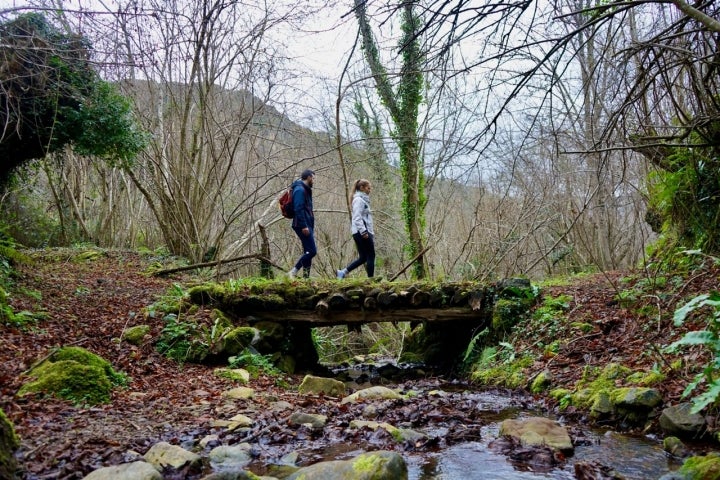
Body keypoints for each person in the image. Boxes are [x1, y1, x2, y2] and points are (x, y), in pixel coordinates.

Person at [337, 179, 375, 279]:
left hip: (359, 231)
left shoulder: (362, 199)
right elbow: (357, 217)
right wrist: (364, 232)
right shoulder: (358, 200)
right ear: (362, 188)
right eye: (368, 188)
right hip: (362, 231)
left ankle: (343, 272)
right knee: (371, 255)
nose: (370, 190)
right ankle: (371, 280)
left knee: (363, 257)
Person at [288, 169, 316, 278]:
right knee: (312, 251)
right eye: (313, 178)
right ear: (308, 177)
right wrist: (304, 225)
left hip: (306, 223)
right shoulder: (300, 190)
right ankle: (293, 272)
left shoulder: (305, 189)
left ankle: (306, 278)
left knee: (308, 251)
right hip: (301, 225)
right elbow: (298, 208)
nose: (314, 180)